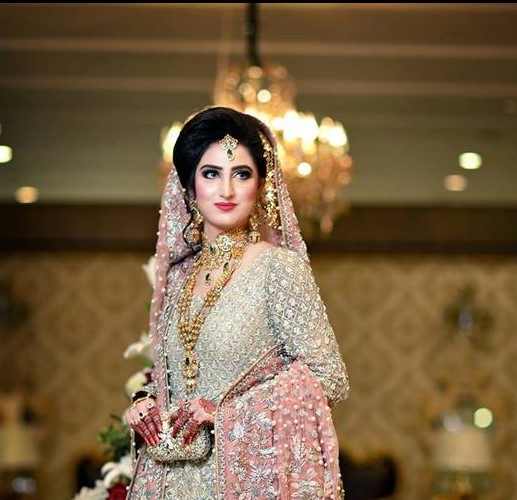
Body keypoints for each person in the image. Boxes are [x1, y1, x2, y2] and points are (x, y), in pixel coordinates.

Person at [124, 106, 350, 499]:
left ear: (260, 186)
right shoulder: (179, 277)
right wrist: (146, 403)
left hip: (241, 484)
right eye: (211, 174)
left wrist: (226, 416)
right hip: (167, 484)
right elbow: (176, 381)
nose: (226, 190)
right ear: (190, 187)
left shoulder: (277, 268)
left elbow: (329, 377)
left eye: (241, 174)